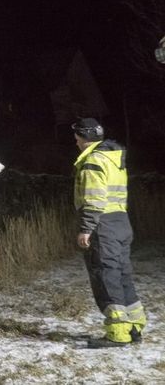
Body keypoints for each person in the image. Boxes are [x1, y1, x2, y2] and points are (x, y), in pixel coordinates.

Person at [72, 118, 147, 348]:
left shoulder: (93, 161)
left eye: (76, 136)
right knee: (121, 275)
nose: (75, 141)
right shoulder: (113, 158)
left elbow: (94, 198)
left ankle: (117, 333)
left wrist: (86, 228)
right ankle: (134, 326)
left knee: (106, 276)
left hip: (102, 225)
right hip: (121, 221)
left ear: (84, 137)